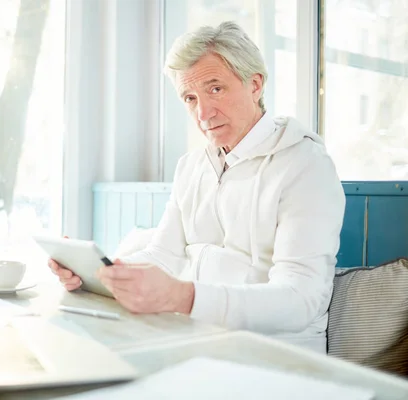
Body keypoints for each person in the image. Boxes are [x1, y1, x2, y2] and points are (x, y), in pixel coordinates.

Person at [48, 21, 345, 353]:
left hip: (277, 351)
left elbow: (300, 298)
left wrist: (183, 295)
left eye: (215, 89)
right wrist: (98, 273)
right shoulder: (191, 166)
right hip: (195, 337)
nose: (203, 112)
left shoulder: (305, 164)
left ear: (255, 84)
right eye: (190, 97)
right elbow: (163, 254)